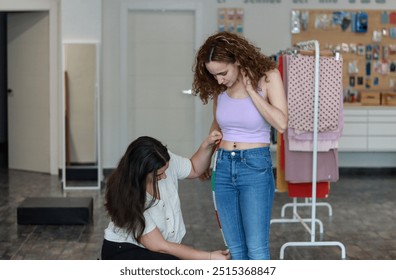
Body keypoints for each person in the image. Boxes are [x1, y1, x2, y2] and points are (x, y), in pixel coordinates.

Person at [192, 31, 288, 260]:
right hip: (223, 166)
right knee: (234, 249)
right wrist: (205, 159)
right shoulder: (220, 88)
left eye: (222, 73)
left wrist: (252, 92)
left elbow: (281, 123)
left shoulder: (268, 77)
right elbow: (217, 128)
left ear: (237, 60)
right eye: (213, 75)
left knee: (256, 248)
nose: (218, 80)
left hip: (254, 166)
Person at [101, 132, 230, 260]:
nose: (165, 176)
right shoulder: (128, 198)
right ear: (141, 174)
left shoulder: (163, 161)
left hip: (159, 248)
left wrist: (206, 145)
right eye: (158, 175)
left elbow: (195, 168)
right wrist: (209, 257)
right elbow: (161, 246)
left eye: (165, 170)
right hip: (124, 251)